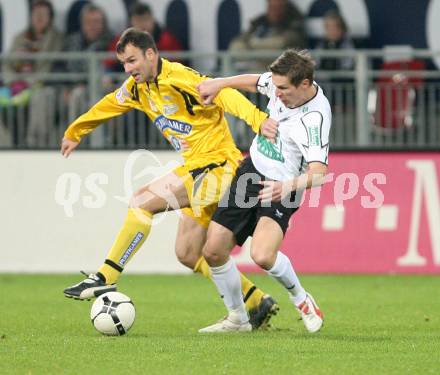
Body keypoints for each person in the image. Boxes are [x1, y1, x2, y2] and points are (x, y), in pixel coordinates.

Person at [61, 28, 279, 329]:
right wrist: (76, 131)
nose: (128, 69)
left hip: (218, 165)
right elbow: (110, 104)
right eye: (124, 63)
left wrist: (258, 119)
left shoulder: (180, 78)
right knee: (188, 253)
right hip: (198, 169)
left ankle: (105, 276)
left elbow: (225, 93)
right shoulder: (137, 89)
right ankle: (256, 302)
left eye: (133, 60)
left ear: (152, 54)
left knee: (141, 201)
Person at [195, 49, 330, 333]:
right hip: (252, 171)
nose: (276, 93)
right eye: (275, 86)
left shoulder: (314, 119)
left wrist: (287, 186)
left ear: (304, 85)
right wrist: (219, 83)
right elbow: (255, 81)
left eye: (283, 88)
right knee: (213, 250)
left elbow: (319, 174)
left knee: (263, 256)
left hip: (285, 185)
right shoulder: (281, 83)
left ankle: (301, 299)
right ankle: (237, 318)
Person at [2, 0, 64, 147]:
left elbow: (51, 65)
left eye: (43, 15)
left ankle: (33, 146)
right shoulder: (20, 38)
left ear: (50, 18)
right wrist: (12, 81)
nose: (39, 18)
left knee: (40, 98)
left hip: (39, 86)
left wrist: (29, 83)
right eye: (36, 14)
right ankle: (5, 148)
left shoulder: (57, 39)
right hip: (15, 87)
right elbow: (7, 64)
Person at [229, 0, 306, 70]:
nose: (275, 12)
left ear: (285, 8)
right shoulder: (259, 22)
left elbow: (282, 43)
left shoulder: (293, 24)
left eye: (278, 8)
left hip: (282, 71)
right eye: (271, 8)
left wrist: (254, 45)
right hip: (254, 69)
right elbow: (237, 44)